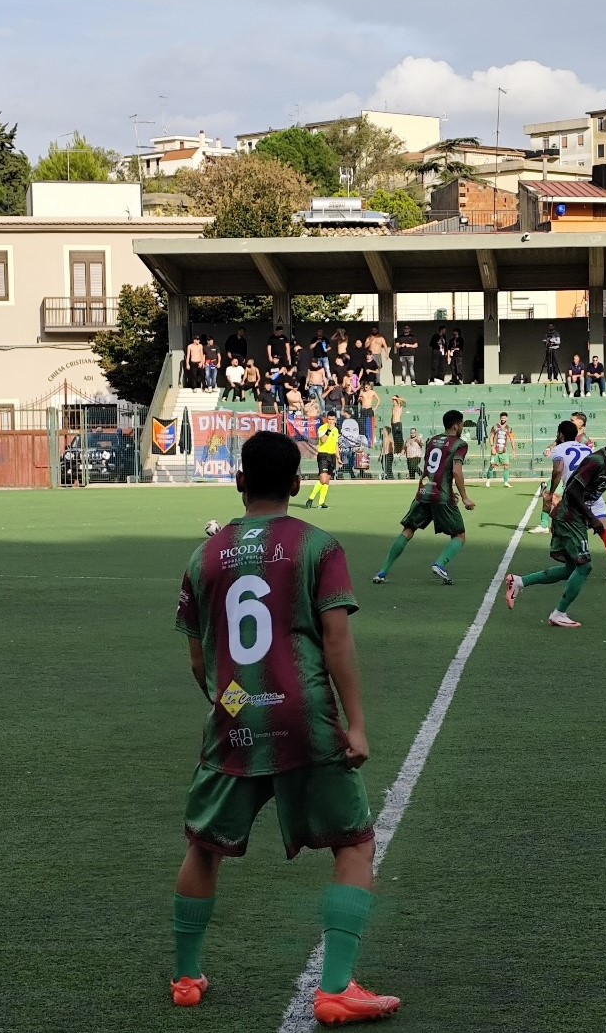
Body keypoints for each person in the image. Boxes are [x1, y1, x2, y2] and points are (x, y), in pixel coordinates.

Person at [168, 431, 400, 1024]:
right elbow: (337, 639)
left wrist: (232, 702)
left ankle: (187, 977)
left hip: (237, 716)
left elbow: (199, 658)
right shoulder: (318, 546)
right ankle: (337, 988)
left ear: (238, 481)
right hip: (307, 718)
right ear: (298, 484)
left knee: (203, 845)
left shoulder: (206, 555)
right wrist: (357, 726)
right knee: (354, 842)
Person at [503, 425, 606, 628]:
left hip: (572, 516)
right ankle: (559, 613)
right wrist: (592, 517)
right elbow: (573, 490)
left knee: (570, 568)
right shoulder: (597, 460)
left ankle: (519, 582)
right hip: (571, 517)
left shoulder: (605, 461)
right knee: (585, 566)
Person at [373, 409, 476, 585]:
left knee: (407, 531)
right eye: (461, 424)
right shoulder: (460, 444)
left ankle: (382, 572)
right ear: (455, 426)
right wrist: (465, 497)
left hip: (423, 492)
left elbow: (433, 468)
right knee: (459, 535)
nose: (461, 428)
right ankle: (440, 564)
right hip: (442, 496)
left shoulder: (432, 440)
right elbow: (456, 472)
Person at [486, 411, 516, 487]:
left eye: (504, 418)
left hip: (504, 450)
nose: (503, 419)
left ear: (507, 418)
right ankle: (488, 480)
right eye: (502, 418)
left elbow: (512, 439)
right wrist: (492, 447)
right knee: (492, 465)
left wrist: (513, 450)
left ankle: (506, 482)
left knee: (506, 465)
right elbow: (491, 437)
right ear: (500, 418)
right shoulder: (495, 427)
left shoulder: (509, 428)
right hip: (495, 450)